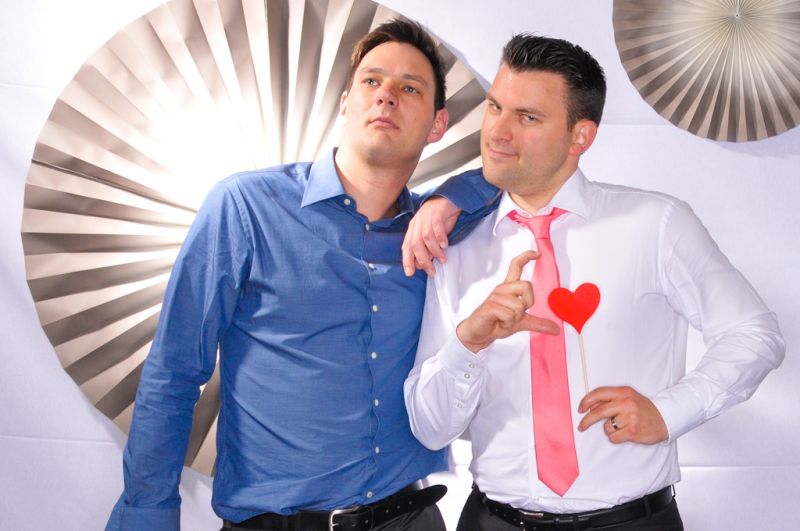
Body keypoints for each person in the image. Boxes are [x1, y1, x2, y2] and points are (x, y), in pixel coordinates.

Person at [105, 18, 511, 531]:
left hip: (410, 518)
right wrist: (147, 515)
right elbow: (174, 371)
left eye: (410, 88)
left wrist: (453, 197)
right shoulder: (244, 207)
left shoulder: (438, 232)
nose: (386, 96)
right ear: (346, 103)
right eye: (371, 80)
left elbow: (522, 171)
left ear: (437, 124)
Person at [403, 34, 785, 531]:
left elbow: (754, 334)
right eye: (495, 107)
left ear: (580, 137)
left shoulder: (656, 224)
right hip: (491, 521)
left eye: (528, 117)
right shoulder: (452, 244)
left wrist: (669, 412)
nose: (497, 131)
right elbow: (430, 429)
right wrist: (467, 344)